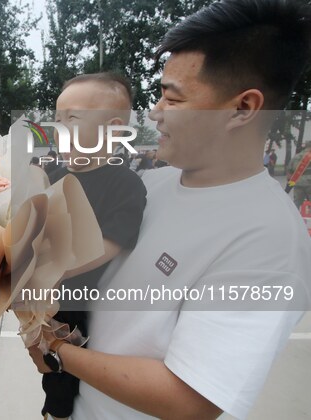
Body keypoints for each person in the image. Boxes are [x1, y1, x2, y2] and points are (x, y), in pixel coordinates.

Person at [27, 1, 311, 419]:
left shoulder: (269, 243)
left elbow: (190, 400)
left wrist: (55, 350)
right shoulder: (150, 185)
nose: (154, 112)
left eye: (173, 99)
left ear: (243, 108)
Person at [40, 72, 146, 419]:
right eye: (57, 119)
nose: (60, 129)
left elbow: (106, 245)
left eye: (72, 118)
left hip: (82, 310)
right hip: (44, 301)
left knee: (66, 384)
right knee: (48, 377)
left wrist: (38, 269)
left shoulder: (124, 184)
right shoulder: (53, 176)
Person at [287, 142, 311, 208]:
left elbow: (289, 170)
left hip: (298, 182)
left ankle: (295, 217)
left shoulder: (296, 156)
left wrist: (290, 183)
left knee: (297, 202)